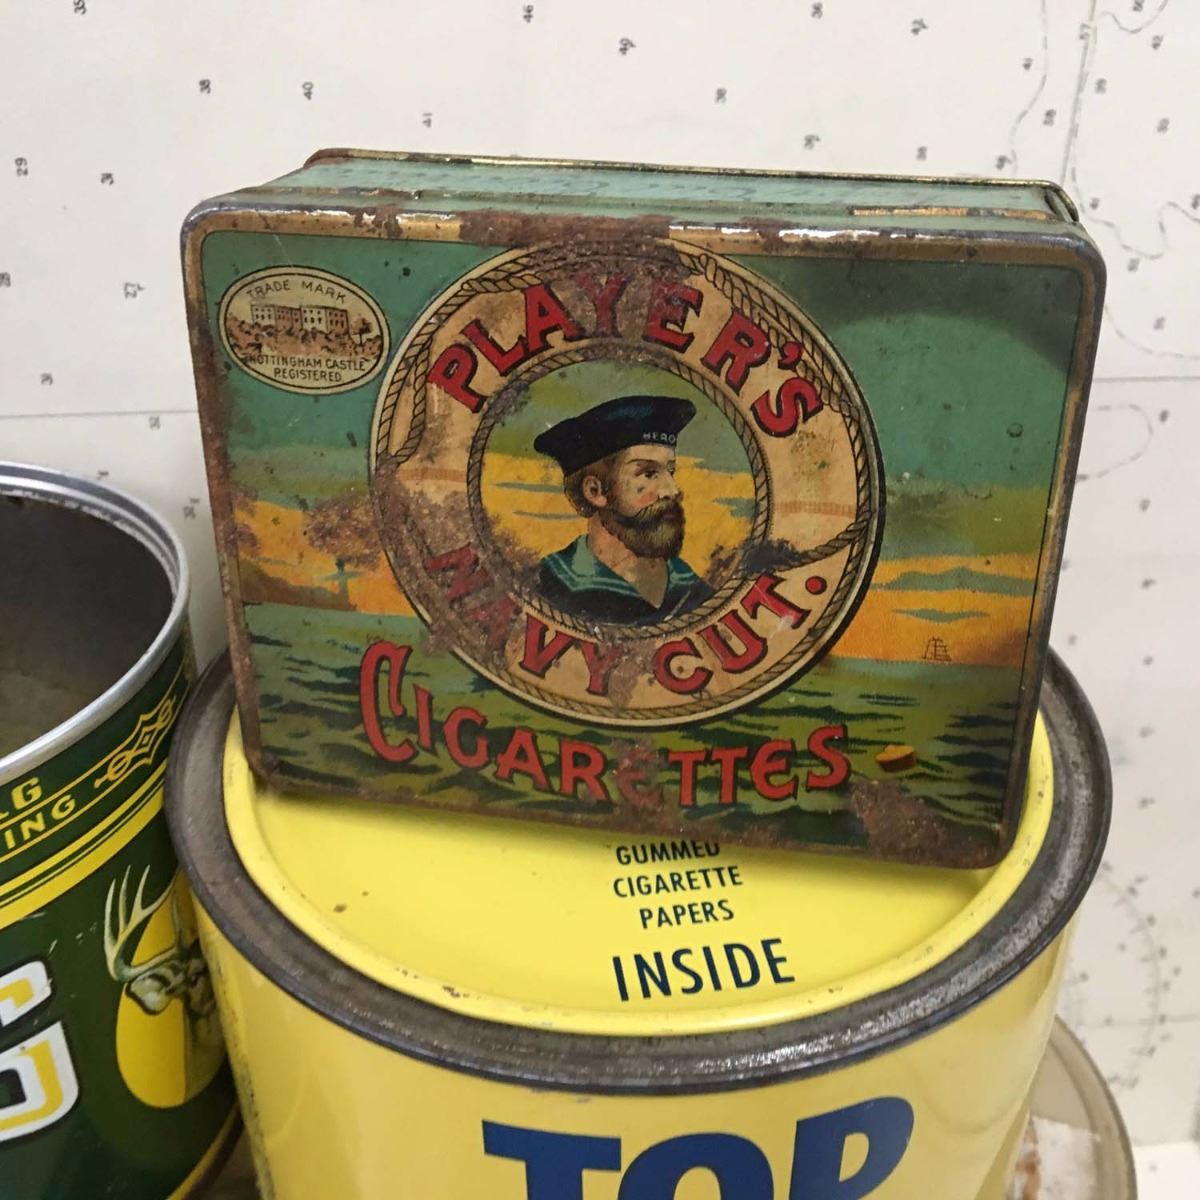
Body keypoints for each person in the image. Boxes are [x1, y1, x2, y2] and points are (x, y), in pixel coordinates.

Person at [533, 395, 714, 624]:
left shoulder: (694, 590)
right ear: (595, 491)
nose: (673, 490)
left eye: (670, 471)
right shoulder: (549, 585)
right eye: (649, 474)